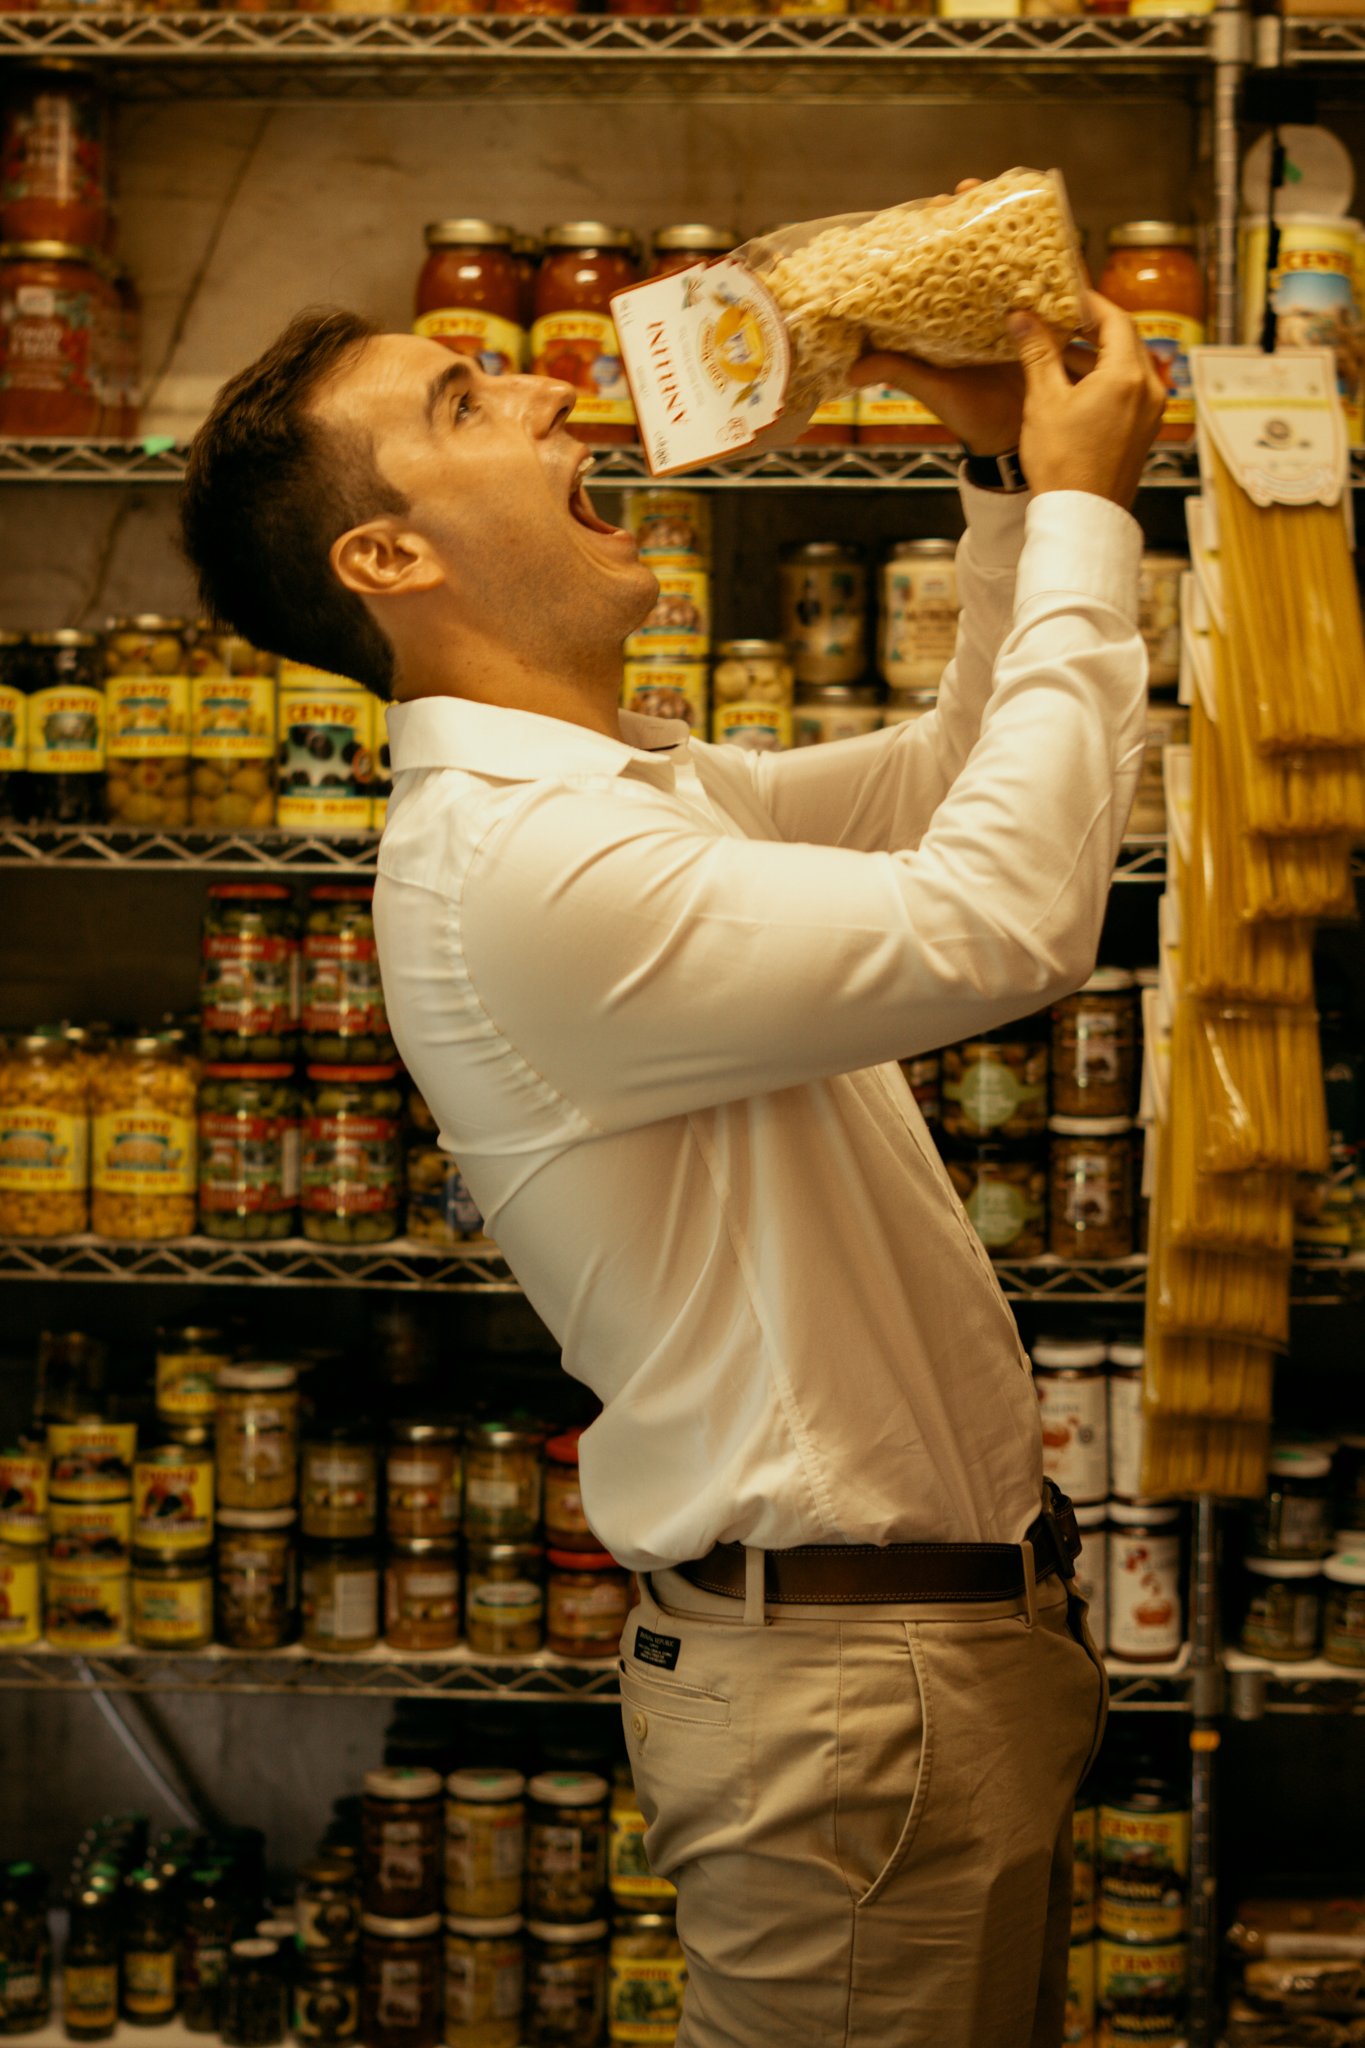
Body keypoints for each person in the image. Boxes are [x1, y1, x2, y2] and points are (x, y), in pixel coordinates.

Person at [181, 261, 1165, 2047]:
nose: (550, 395)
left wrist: (1015, 487)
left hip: (910, 1673)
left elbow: (955, 784)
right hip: (848, 1697)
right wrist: (1097, 509)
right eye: (465, 405)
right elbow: (1007, 916)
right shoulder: (524, 870)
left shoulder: (619, 801)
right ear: (386, 559)